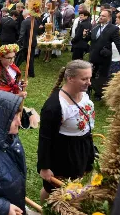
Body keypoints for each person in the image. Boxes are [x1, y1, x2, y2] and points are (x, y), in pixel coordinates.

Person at [37, 60, 95, 203]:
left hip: (82, 146)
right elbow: (45, 139)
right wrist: (44, 167)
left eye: (89, 78)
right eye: (84, 79)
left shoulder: (85, 95)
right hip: (64, 153)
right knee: (53, 188)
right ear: (70, 78)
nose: (89, 83)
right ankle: (45, 210)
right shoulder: (55, 106)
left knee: (75, 183)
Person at [85, 10, 120, 101]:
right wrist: (85, 35)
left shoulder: (114, 29)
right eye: (100, 15)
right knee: (90, 74)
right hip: (93, 56)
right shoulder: (95, 27)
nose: (101, 17)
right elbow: (90, 39)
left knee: (102, 77)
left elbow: (119, 44)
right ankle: (89, 90)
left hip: (104, 57)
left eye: (104, 16)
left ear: (109, 18)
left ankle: (99, 93)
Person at [15, 9, 39, 78]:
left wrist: (19, 42)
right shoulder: (35, 20)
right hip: (33, 43)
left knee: (19, 59)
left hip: (25, 44)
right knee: (31, 59)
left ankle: (14, 71)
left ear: (24, 15)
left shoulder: (25, 22)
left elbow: (22, 34)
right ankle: (31, 73)